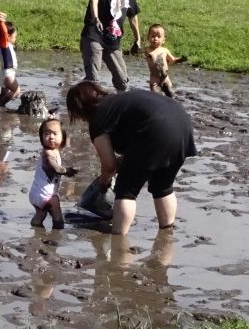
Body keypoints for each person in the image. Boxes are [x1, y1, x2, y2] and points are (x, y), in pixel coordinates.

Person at [66, 81, 196, 236]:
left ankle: (118, 240)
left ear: (79, 109)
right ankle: (166, 234)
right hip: (182, 123)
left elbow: (109, 165)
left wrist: (102, 185)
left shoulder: (99, 117)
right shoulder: (120, 100)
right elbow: (134, 151)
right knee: (163, 186)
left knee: (126, 190)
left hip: (154, 130)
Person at [80, 0, 142, 92]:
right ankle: (83, 104)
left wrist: (137, 39)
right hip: (94, 35)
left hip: (113, 39)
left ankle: (120, 109)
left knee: (123, 82)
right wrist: (95, 17)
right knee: (93, 80)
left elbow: (132, 16)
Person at [28, 117, 78, 229]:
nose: (51, 137)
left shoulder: (54, 150)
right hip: (47, 195)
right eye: (46, 134)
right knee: (57, 215)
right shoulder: (48, 153)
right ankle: (57, 233)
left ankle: (35, 231)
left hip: (35, 194)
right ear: (41, 137)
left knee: (41, 214)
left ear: (63, 137)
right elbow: (54, 166)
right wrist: (65, 171)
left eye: (55, 134)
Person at [145, 23, 186, 97]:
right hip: (154, 78)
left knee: (171, 94)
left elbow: (172, 60)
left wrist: (181, 59)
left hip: (165, 78)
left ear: (163, 40)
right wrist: (135, 49)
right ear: (148, 37)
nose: (156, 39)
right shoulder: (147, 50)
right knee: (155, 96)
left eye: (159, 37)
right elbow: (138, 52)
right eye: (153, 36)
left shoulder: (165, 50)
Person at [0, 20, 20, 107]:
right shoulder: (5, 44)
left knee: (4, 92)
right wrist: (1, 22)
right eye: (14, 36)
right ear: (7, 36)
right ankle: (0, 105)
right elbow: (4, 32)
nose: (15, 39)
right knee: (16, 91)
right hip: (9, 73)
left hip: (3, 72)